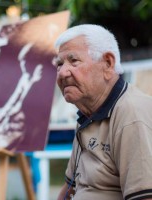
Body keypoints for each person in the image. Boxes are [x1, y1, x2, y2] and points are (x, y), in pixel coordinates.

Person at [54, 24, 152, 200]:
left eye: (73, 61)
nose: (62, 72)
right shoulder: (87, 113)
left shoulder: (131, 114)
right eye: (59, 64)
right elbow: (71, 187)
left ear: (108, 63)